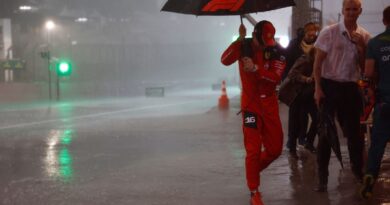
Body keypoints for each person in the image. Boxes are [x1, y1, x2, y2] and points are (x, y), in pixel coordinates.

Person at [221, 20, 286, 205]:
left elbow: (276, 78)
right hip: (251, 106)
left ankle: (252, 170)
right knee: (253, 149)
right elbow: (224, 60)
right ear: (256, 34)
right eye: (264, 39)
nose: (268, 43)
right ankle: (254, 191)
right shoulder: (243, 47)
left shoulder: (275, 51)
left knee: (275, 149)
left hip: (270, 106)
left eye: (270, 40)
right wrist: (240, 39)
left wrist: (256, 69)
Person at [313, 0, 371, 192]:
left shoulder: (365, 36)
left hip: (351, 88)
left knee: (355, 135)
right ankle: (322, 178)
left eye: (355, 9)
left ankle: (357, 171)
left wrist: (362, 47)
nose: (351, 13)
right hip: (329, 87)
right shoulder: (328, 32)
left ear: (360, 11)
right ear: (342, 10)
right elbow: (317, 63)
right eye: (348, 9)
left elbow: (364, 69)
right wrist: (318, 88)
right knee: (325, 135)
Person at [359, 5, 390, 199]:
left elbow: (368, 73)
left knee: (377, 145)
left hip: (385, 102)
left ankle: (370, 177)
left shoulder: (376, 43)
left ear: (384, 21)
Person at [283, 22, 318, 156]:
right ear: (304, 32)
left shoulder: (318, 46)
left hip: (311, 89)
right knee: (296, 118)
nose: (312, 34)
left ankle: (306, 141)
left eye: (314, 31)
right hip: (297, 88)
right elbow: (289, 67)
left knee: (316, 117)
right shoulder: (295, 46)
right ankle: (292, 145)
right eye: (310, 31)